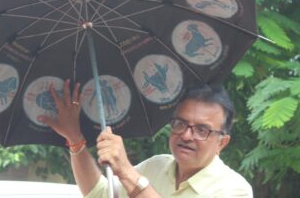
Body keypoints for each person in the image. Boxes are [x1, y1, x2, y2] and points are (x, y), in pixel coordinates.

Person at [38, 79, 253, 197]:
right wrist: (75, 138)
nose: (187, 135)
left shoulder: (233, 189)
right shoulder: (156, 166)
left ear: (222, 143)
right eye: (180, 124)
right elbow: (100, 195)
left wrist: (127, 171)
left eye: (202, 130)